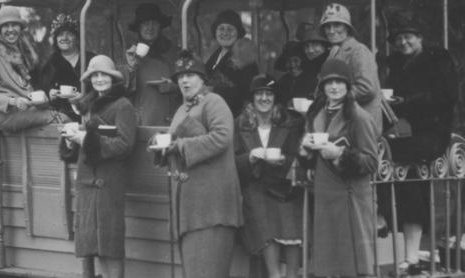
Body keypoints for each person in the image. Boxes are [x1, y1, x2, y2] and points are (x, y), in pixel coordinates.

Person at [378, 16, 457, 274]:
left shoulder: (438, 59)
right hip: (410, 135)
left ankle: (380, 216)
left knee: (386, 156)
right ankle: (410, 256)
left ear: (420, 37)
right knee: (407, 181)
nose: (403, 42)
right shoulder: (398, 66)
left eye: (408, 37)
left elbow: (444, 96)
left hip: (434, 132)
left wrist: (406, 103)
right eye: (399, 39)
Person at [157, 50, 243, 278]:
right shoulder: (181, 109)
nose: (184, 80)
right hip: (189, 209)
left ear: (203, 79)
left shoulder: (214, 102)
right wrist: (162, 145)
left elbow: (222, 137)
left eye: (191, 75)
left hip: (212, 209)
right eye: (180, 76)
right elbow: (174, 141)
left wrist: (181, 145)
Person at [299, 59, 378, 278]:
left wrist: (341, 155)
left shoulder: (360, 117)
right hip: (325, 196)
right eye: (329, 82)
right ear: (322, 86)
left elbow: (372, 162)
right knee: (329, 264)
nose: (334, 87)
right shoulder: (315, 114)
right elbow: (311, 158)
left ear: (348, 85)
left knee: (354, 265)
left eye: (339, 82)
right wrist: (305, 152)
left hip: (351, 196)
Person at [60, 55, 137, 278]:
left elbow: (124, 145)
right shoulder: (88, 106)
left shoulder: (123, 106)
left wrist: (85, 139)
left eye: (105, 75)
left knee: (110, 249)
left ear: (113, 78)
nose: (100, 79)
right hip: (87, 184)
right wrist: (69, 140)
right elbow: (84, 147)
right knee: (94, 248)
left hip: (108, 185)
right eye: (95, 75)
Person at [234, 74, 304, 278]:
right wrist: (251, 157)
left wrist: (283, 160)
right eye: (259, 93)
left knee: (291, 222)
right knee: (261, 217)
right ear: (252, 98)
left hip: (283, 184)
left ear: (275, 98)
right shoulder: (240, 123)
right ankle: (274, 275)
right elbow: (233, 161)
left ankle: (292, 275)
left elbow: (297, 155)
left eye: (269, 94)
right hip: (255, 185)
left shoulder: (289, 122)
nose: (264, 98)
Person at [0, 5, 68, 132]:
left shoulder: (24, 51)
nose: (11, 30)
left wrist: (41, 97)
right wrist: (13, 102)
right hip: (7, 116)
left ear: (20, 28)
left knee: (64, 116)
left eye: (14, 25)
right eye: (6, 26)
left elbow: (27, 87)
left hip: (28, 110)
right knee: (63, 119)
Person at [320, 3, 382, 132]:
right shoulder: (333, 53)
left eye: (337, 25)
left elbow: (366, 88)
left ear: (347, 28)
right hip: (341, 125)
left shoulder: (358, 51)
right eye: (327, 26)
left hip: (362, 127)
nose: (331, 30)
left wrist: (332, 98)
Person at [123, 3, 180, 125]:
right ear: (139, 27)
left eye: (154, 23)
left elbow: (190, 84)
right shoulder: (130, 54)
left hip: (170, 116)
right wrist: (131, 67)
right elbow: (123, 91)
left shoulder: (175, 53)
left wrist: (174, 87)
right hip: (143, 118)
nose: (150, 27)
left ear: (160, 26)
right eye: (145, 23)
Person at [37, 13, 95, 121]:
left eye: (69, 34)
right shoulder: (51, 63)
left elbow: (102, 88)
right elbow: (41, 92)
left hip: (91, 114)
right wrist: (50, 94)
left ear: (77, 38)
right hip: (62, 118)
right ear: (56, 39)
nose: (64, 38)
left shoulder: (91, 59)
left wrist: (85, 96)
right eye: (60, 34)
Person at [205, 9, 258, 116]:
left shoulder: (244, 55)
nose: (225, 33)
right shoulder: (216, 54)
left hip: (234, 116)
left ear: (238, 32)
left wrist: (211, 90)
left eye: (230, 29)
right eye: (221, 28)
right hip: (213, 114)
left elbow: (246, 93)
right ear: (215, 31)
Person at [273, 40, 310, 106]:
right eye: (289, 61)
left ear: (303, 61)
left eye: (296, 60)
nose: (292, 65)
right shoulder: (282, 82)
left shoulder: (313, 81)